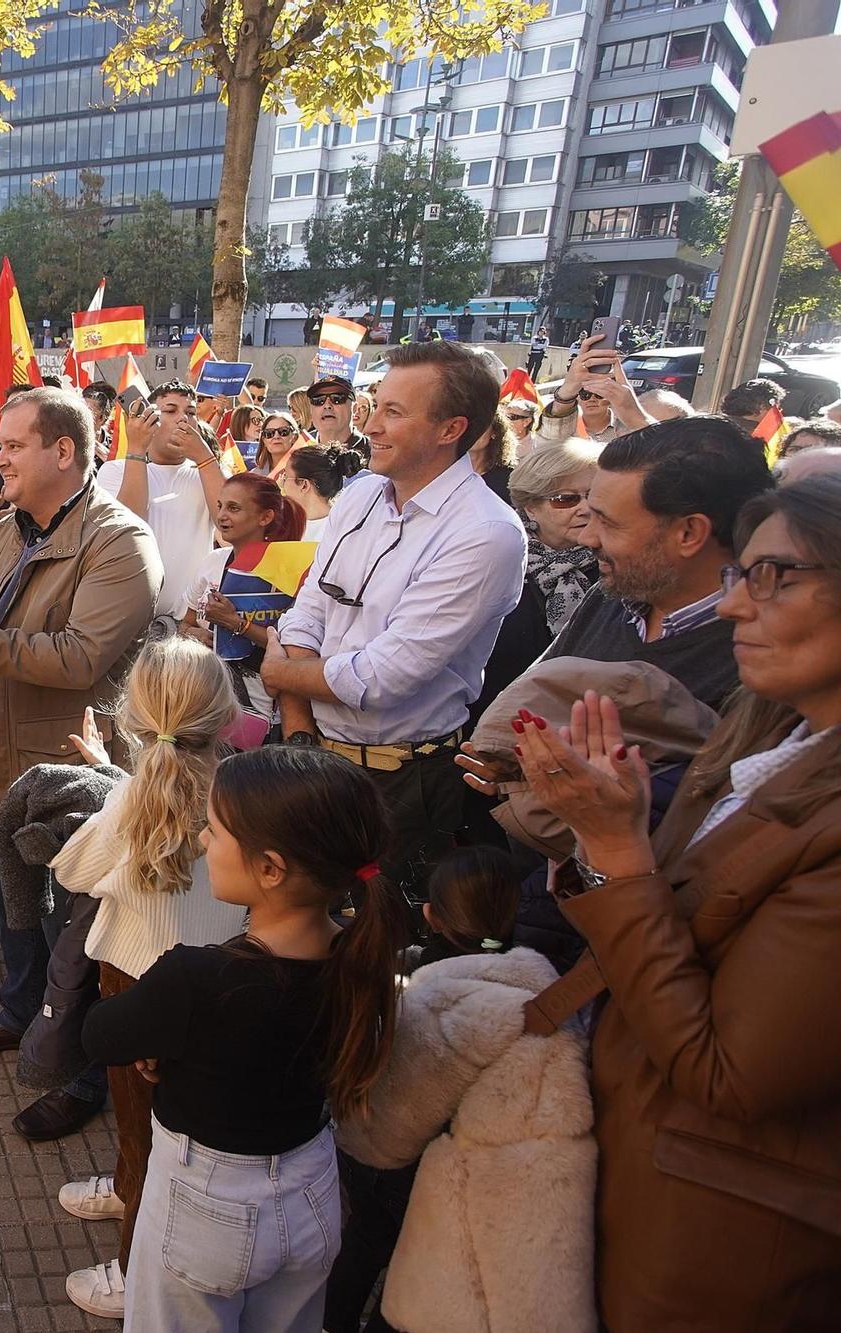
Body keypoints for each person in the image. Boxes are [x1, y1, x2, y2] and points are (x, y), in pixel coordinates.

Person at [511, 475, 841, 1330]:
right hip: (647, 1168)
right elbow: (677, 919)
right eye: (742, 576)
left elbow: (726, 1071)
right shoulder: (772, 736)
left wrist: (619, 853)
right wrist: (602, 830)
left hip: (721, 1235)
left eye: (774, 577)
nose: (735, 607)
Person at [81, 746, 406, 1329]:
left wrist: (166, 1038)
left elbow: (100, 1035)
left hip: (206, 1207)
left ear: (271, 869)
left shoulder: (198, 979)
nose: (203, 842)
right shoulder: (361, 957)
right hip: (313, 1194)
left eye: (214, 829)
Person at [0, 386, 162, 1143]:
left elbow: (81, 658)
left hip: (66, 775)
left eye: (13, 445)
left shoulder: (120, 543)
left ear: (64, 451)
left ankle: (88, 1074)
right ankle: (22, 1017)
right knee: (16, 909)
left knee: (86, 935)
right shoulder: (8, 527)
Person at [265, 340, 528, 901]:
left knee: (370, 946)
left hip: (399, 784)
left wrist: (283, 675)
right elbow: (307, 611)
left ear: (450, 428)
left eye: (393, 412)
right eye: (375, 404)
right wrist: (300, 731)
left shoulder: (485, 533)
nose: (371, 425)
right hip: (310, 747)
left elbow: (380, 680)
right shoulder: (360, 495)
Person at [46, 637, 250, 1321]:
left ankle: (135, 1277)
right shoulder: (246, 794)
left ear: (131, 716)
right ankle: (133, 1176)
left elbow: (72, 870)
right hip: (220, 984)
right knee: (171, 1122)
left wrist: (112, 787)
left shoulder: (130, 801)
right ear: (224, 719)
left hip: (133, 986)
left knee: (142, 1135)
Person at [330, 846, 595, 1333]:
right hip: (502, 1211)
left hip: (419, 1183)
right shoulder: (547, 992)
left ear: (431, 914)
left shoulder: (436, 1001)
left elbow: (384, 1134)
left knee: (373, 1240)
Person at [535, 416, 776, 714]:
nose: (587, 538)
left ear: (689, 533)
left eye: (608, 523)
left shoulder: (761, 660)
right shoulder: (612, 593)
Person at [469, 435, 603, 728]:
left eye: (593, 496)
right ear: (531, 506)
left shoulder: (613, 568)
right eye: (566, 499)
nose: (585, 508)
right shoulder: (500, 556)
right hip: (488, 722)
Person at [187, 472, 309, 742]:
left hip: (272, 713)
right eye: (220, 506)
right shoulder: (213, 561)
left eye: (234, 508)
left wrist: (235, 624)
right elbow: (185, 623)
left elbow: (294, 650)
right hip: (211, 701)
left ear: (265, 517)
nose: (221, 516)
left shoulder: (292, 569)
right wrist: (197, 636)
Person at [100, 403, 224, 621]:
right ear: (148, 419)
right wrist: (137, 450)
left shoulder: (208, 473)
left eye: (191, 413)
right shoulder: (116, 470)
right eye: (170, 411)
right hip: (132, 622)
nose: (183, 419)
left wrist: (205, 458)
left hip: (192, 625)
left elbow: (228, 528)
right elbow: (126, 529)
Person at [538, 333, 629, 446]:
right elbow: (547, 446)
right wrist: (566, 392)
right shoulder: (564, 428)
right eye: (585, 395)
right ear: (577, 397)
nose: (592, 399)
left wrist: (629, 404)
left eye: (599, 394)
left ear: (610, 397)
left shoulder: (626, 431)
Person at [277, 440, 363, 542]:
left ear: (304, 485)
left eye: (286, 476)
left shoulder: (346, 531)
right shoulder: (279, 525)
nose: (281, 482)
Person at [306, 373, 372, 454]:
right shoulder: (299, 448)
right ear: (311, 410)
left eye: (337, 398)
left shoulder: (374, 453)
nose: (327, 405)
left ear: (354, 408)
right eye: (318, 400)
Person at [248, 408, 301, 476]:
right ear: (264, 441)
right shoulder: (255, 476)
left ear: (294, 437)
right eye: (269, 433)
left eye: (283, 431)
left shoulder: (307, 471)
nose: (276, 436)